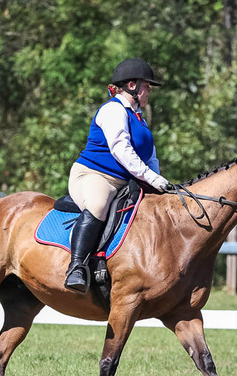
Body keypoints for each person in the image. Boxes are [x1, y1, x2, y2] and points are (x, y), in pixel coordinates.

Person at [64, 57, 171, 293]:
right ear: (132, 86)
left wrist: (158, 181)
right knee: (99, 204)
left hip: (127, 181)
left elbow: (150, 156)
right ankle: (76, 267)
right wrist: (150, 178)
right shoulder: (113, 109)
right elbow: (121, 149)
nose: (148, 92)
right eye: (147, 86)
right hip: (94, 175)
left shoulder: (139, 117)